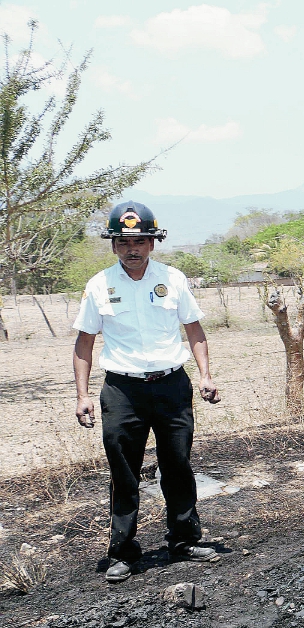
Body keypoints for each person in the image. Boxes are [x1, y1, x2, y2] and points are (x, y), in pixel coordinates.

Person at [72, 201, 223, 583]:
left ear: (153, 244)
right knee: (124, 472)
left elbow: (194, 330)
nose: (132, 249)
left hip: (171, 386)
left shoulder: (173, 279)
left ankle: (184, 540)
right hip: (122, 391)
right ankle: (123, 551)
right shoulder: (99, 285)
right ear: (113, 246)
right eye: (124, 242)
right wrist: (82, 395)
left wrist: (205, 374)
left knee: (177, 464)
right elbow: (84, 342)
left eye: (140, 240)